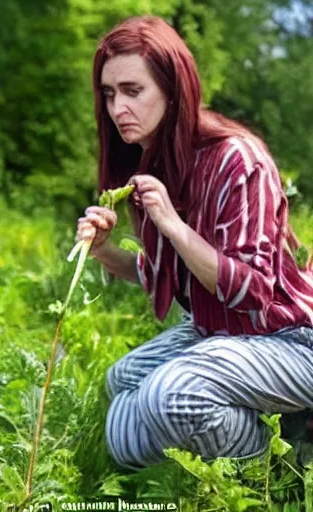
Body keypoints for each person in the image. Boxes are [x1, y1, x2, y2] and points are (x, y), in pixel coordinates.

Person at [75, 15, 313, 469]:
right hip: (219, 333)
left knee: (170, 395)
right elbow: (162, 273)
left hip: (289, 338)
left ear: (172, 88)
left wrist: (174, 225)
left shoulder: (236, 160)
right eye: (109, 94)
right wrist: (104, 249)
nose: (117, 108)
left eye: (133, 90)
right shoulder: (157, 162)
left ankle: (286, 460)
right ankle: (249, 429)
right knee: (123, 401)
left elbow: (252, 290)